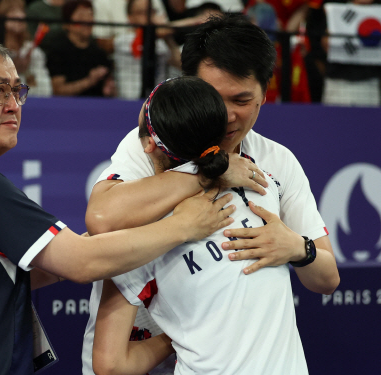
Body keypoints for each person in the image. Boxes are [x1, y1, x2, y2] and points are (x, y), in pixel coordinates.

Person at [0, 34, 240, 374]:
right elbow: (82, 264)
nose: (12, 104)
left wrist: (97, 242)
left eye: (17, 90)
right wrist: (183, 225)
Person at [82, 13, 340, 374]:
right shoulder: (155, 144)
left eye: (241, 99)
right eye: (213, 98)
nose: (227, 116)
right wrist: (210, 173)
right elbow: (102, 216)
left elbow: (327, 278)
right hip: (140, 346)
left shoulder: (277, 162)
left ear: (265, 93)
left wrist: (297, 247)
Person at [92, 76, 306, 375]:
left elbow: (110, 366)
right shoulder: (263, 185)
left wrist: (175, 339)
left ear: (147, 144)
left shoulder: (135, 239)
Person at [0, 0, 52, 97]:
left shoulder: (34, 52)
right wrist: (12, 68)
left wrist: (26, 73)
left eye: (21, 11)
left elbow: (45, 92)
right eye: (12, 11)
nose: (20, 16)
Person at [45, 0, 114, 97]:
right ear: (67, 23)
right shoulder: (58, 51)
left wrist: (109, 88)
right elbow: (58, 90)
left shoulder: (99, 53)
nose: (87, 20)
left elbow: (110, 90)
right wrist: (89, 81)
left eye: (90, 14)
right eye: (81, 16)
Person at [113, 0, 181, 99]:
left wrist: (168, 38)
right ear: (130, 17)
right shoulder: (122, 40)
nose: (147, 17)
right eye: (142, 13)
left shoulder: (162, 43)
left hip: (158, 102)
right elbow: (143, 40)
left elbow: (180, 63)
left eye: (150, 12)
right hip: (128, 101)